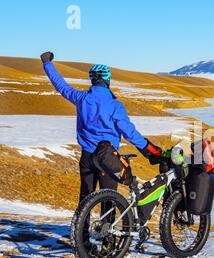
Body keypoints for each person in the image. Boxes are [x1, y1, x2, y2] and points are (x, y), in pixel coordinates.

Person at [40, 52, 163, 205]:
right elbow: (129, 132)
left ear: (92, 80)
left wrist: (47, 63)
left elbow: (61, 86)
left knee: (85, 198)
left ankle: (81, 229)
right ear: (107, 80)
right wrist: (148, 149)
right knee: (109, 199)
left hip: (87, 156)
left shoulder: (82, 98)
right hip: (107, 157)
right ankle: (106, 229)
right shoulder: (114, 105)